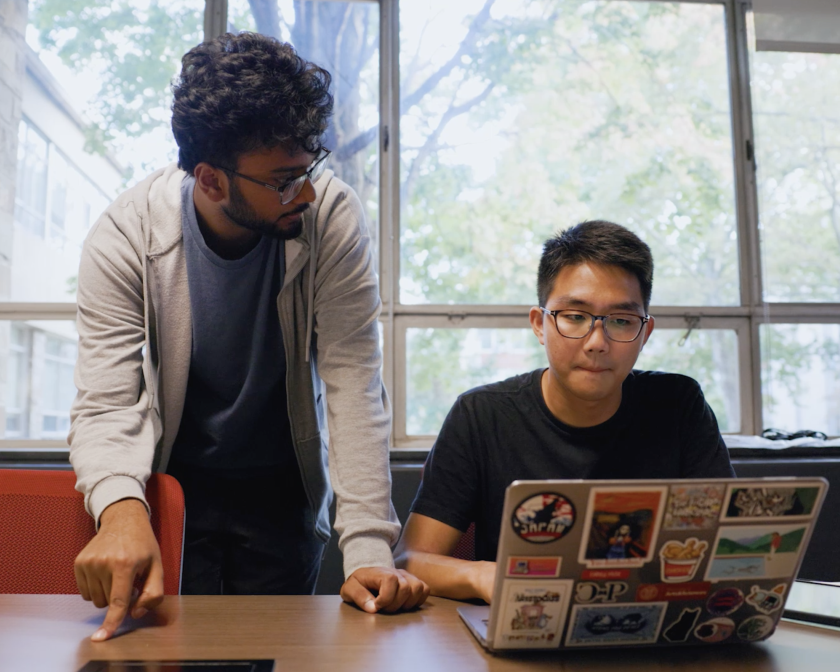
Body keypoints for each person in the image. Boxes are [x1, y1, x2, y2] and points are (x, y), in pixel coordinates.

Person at [70, 32, 427, 642]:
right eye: (284, 179)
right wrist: (121, 508)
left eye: (310, 166)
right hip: (172, 485)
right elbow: (107, 401)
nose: (308, 191)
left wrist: (369, 548)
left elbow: (353, 383)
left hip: (281, 488)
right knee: (171, 651)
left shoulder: (329, 218)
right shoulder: (127, 234)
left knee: (275, 654)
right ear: (210, 179)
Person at [394, 220, 735, 603]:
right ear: (540, 324)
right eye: (575, 316)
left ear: (645, 332)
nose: (596, 342)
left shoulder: (678, 405)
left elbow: (729, 548)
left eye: (622, 321)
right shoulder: (481, 415)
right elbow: (411, 559)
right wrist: (485, 576)